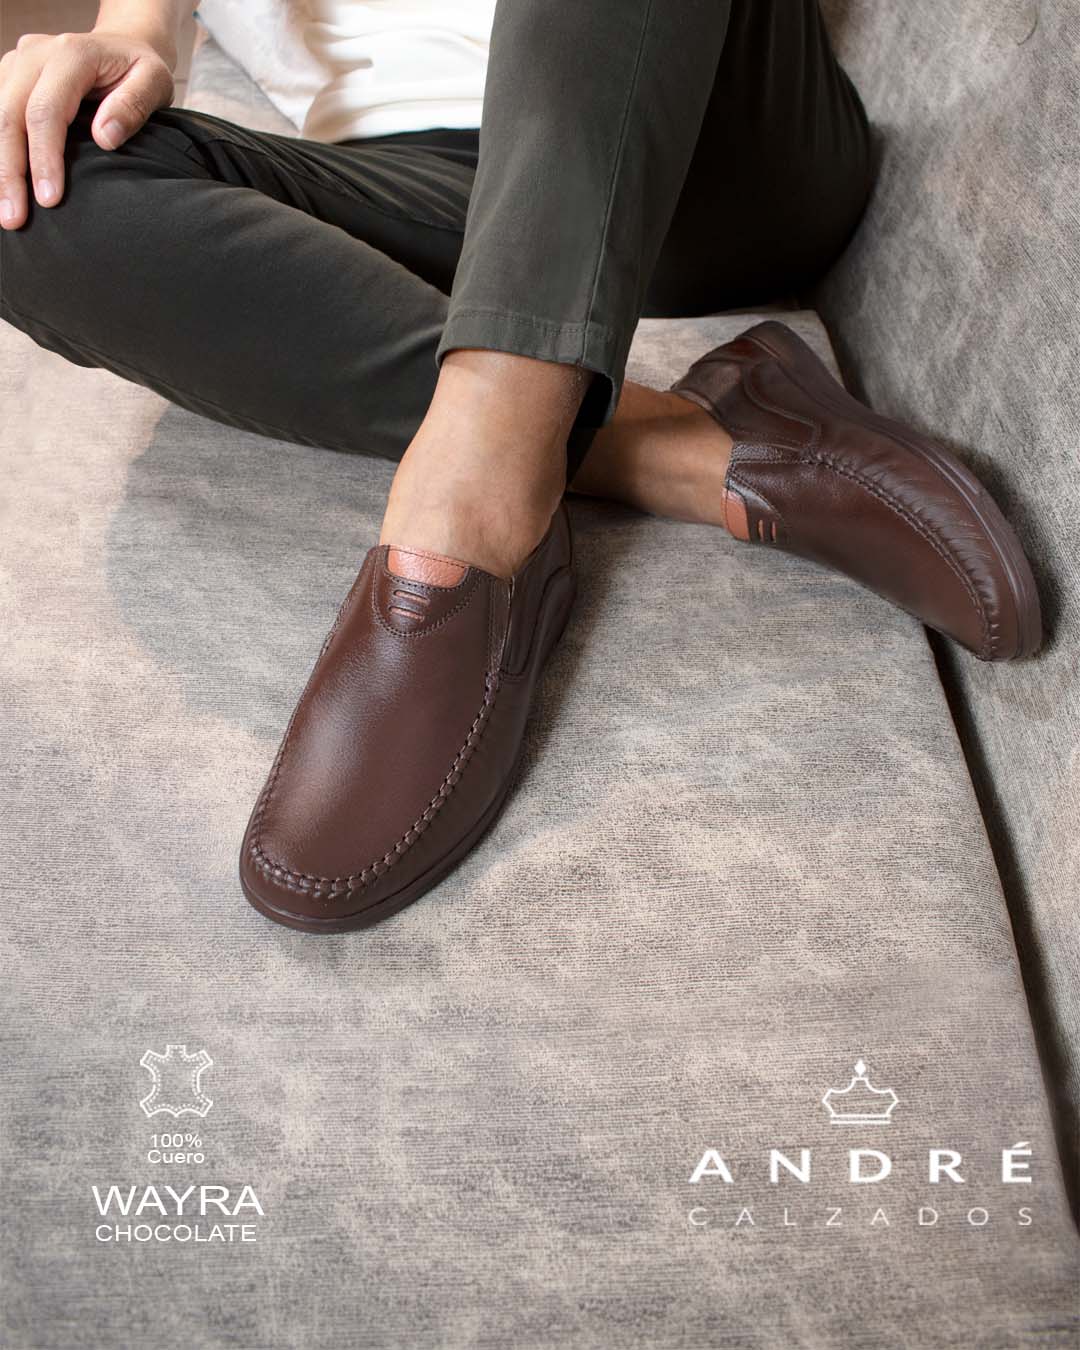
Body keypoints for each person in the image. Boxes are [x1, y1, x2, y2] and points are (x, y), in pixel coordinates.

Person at [0, 0, 1042, 933]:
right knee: (26, 190)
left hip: (697, 137)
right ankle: (682, 446)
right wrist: (126, 40)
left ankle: (475, 489)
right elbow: (148, 26)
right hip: (436, 196)